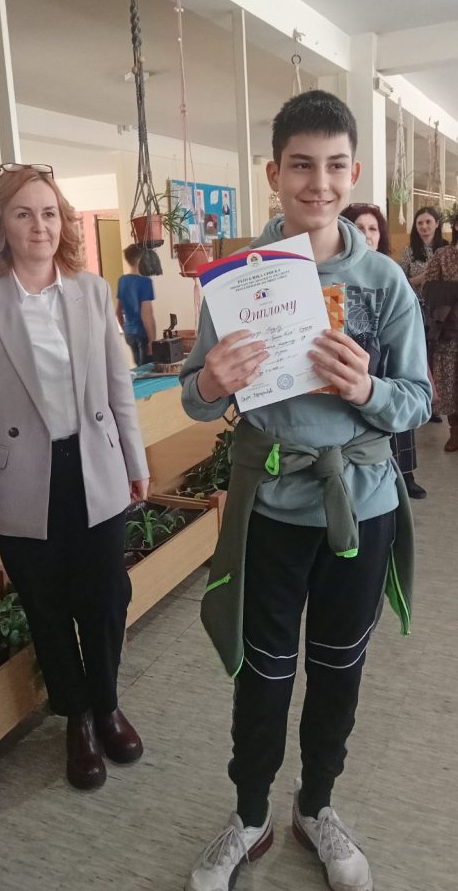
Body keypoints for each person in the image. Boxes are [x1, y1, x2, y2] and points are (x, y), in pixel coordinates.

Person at [180, 91, 431, 891]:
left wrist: (367, 390)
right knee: (262, 671)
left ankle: (315, 804)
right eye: (300, 166)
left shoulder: (383, 281)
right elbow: (195, 395)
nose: (316, 183)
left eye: (332, 166)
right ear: (273, 174)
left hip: (362, 505)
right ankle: (250, 813)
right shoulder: (236, 282)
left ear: (351, 173)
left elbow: (419, 400)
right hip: (270, 508)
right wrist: (210, 382)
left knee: (337, 667)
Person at [0, 164, 149, 790]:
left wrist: (136, 462)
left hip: (94, 465)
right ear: (3, 225)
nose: (39, 226)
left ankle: (107, 704)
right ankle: (77, 717)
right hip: (19, 479)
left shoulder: (90, 291)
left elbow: (118, 385)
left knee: (107, 596)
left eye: (49, 213)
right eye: (23, 213)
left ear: (62, 223)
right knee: (47, 605)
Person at [342, 203, 427, 499]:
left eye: (373, 228)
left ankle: (406, 474)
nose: (366, 234)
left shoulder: (390, 275)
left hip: (389, 373)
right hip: (353, 383)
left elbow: (416, 393)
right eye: (359, 227)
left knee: (399, 424)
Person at [400, 205, 447, 422]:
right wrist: (424, 276)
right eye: (420, 223)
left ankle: (440, 405)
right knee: (422, 356)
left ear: (437, 224)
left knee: (441, 356)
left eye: (428, 222)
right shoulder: (409, 251)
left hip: (444, 313)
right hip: (417, 308)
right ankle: (425, 402)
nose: (424, 226)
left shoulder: (446, 249)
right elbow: (402, 282)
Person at [423, 212, 458, 451]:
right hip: (449, 330)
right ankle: (455, 430)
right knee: (450, 382)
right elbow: (429, 287)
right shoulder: (443, 255)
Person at [116, 244, 156, 366]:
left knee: (138, 367)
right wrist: (151, 340)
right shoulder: (145, 282)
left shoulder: (122, 281)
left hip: (129, 333)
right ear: (140, 261)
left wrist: (126, 329)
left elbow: (118, 311)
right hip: (142, 333)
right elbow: (146, 315)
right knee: (147, 369)